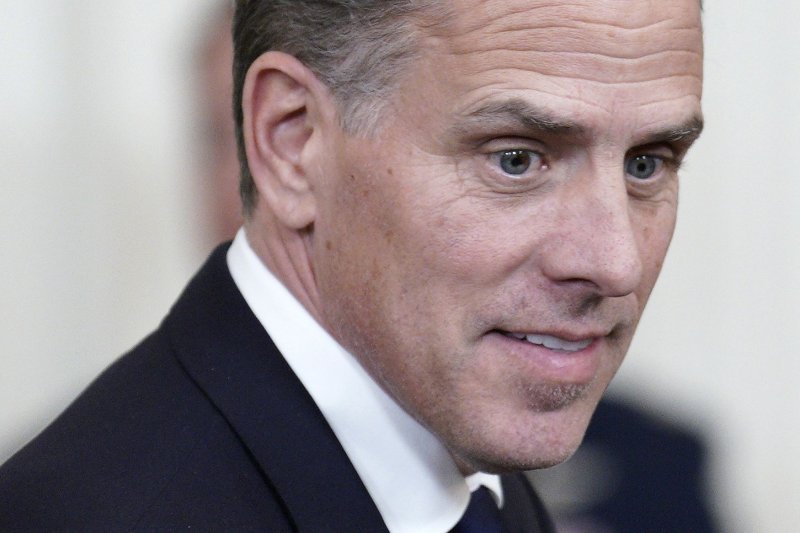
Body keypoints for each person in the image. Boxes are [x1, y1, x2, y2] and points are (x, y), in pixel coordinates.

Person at [0, 1, 704, 531]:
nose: (616, 260)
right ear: (291, 143)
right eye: (516, 159)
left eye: (648, 163)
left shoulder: (463, 467)